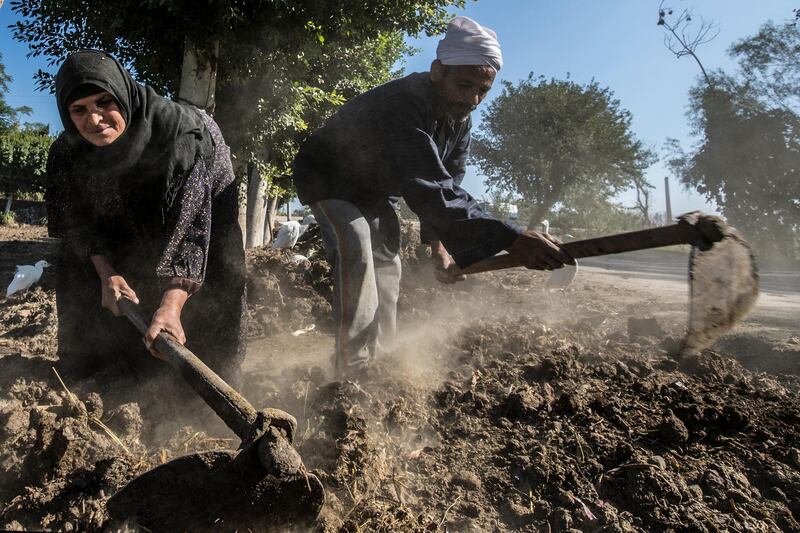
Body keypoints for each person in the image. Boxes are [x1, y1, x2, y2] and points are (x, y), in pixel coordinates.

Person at [292, 17, 568, 377]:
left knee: (389, 266)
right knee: (356, 249)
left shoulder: (459, 120)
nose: (473, 98)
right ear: (438, 71)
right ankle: (351, 370)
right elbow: (427, 185)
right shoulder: (404, 105)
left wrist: (439, 245)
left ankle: (381, 362)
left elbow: (448, 180)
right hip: (330, 178)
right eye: (465, 85)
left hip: (375, 190)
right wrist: (510, 238)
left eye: (483, 89)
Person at [46, 50, 246, 390]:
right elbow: (78, 224)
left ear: (123, 95)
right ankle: (103, 371)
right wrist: (107, 274)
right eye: (79, 110)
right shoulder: (69, 151)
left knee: (214, 279)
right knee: (77, 261)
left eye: (104, 103)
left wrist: (171, 305)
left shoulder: (180, 135)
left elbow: (191, 232)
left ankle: (201, 387)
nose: (94, 120)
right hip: (127, 209)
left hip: (202, 213)